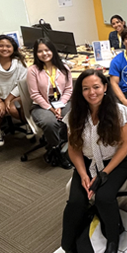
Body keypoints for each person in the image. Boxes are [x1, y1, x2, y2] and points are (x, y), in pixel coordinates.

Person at [62, 69, 127, 253]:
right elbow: (73, 149)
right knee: (76, 200)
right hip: (87, 162)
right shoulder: (74, 115)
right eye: (86, 88)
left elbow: (125, 146)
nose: (91, 92)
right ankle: (68, 247)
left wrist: (105, 174)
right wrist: (84, 174)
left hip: (116, 162)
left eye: (96, 87)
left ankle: (113, 239)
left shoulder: (120, 112)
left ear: (104, 88)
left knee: (103, 197)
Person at [26, 38, 73, 169]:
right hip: (42, 104)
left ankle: (71, 146)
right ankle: (56, 150)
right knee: (50, 122)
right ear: (36, 53)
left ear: (53, 50)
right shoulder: (33, 70)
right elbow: (34, 94)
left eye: (47, 50)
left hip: (62, 102)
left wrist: (61, 105)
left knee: (73, 116)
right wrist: (51, 108)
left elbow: (69, 89)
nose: (44, 53)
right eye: (40, 51)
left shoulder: (63, 68)